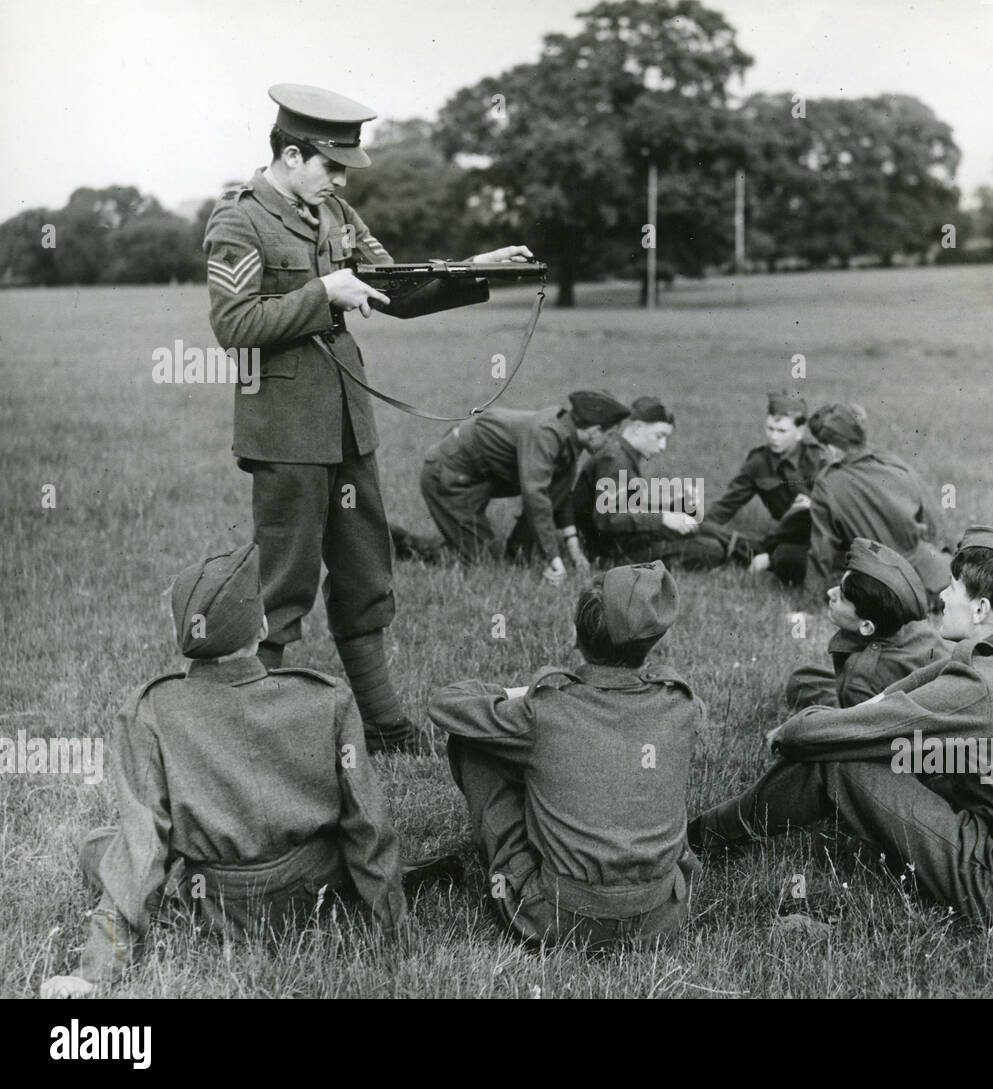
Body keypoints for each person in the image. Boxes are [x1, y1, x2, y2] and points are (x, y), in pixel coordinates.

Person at [203, 83, 532, 753]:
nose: (341, 178)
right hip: (286, 430)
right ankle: (265, 730)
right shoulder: (239, 220)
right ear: (292, 154)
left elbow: (395, 289)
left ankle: (382, 722)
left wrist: (472, 270)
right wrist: (323, 290)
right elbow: (233, 325)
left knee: (365, 571)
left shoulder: (335, 211)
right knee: (284, 579)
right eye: (331, 164)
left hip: (349, 423)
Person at [689, 528, 993, 923]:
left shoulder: (980, 688)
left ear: (979, 609)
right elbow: (949, 667)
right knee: (929, 759)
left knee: (837, 760)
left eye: (954, 587)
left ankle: (701, 840)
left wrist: (793, 731)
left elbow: (818, 737)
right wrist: (879, 703)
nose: (943, 595)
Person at [39, 544, 407, 999]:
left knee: (98, 847)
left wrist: (94, 974)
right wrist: (393, 936)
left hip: (213, 907)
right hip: (314, 897)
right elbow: (369, 827)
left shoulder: (151, 712)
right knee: (101, 847)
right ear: (264, 626)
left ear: (183, 634)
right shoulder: (326, 699)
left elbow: (142, 846)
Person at [425, 561, 703, 949]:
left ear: (577, 636)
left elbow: (445, 705)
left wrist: (513, 694)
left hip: (557, 918)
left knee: (473, 740)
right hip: (661, 917)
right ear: (653, 641)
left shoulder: (544, 711)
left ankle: (518, 857)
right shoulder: (681, 705)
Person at [416, 391, 630, 583]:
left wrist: (573, 549)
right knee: (483, 564)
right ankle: (407, 544)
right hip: (448, 479)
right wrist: (554, 557)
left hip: (477, 478)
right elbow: (535, 495)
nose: (611, 444)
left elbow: (560, 491)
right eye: (610, 436)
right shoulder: (547, 434)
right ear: (593, 431)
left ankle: (517, 549)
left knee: (493, 555)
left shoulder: (568, 432)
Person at [804, 403, 951, 604]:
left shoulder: (827, 483)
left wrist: (807, 604)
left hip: (888, 588)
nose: (821, 456)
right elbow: (932, 517)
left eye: (822, 449)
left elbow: (822, 550)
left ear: (832, 449)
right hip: (936, 576)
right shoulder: (890, 461)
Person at [785, 538, 952, 711]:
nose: (830, 593)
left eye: (841, 596)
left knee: (810, 688)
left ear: (867, 627)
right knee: (804, 678)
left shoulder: (859, 680)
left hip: (919, 720)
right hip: (933, 696)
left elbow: (868, 731)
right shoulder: (908, 625)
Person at [571, 396, 734, 569]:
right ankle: (752, 553)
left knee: (693, 522)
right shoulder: (614, 459)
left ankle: (757, 551)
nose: (663, 445)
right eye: (659, 436)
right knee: (710, 549)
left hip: (621, 540)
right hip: (610, 551)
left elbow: (629, 504)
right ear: (637, 428)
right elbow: (608, 518)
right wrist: (663, 518)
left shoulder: (621, 452)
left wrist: (672, 505)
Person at [700, 393, 823, 583]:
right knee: (718, 534)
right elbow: (727, 504)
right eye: (770, 428)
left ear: (800, 432)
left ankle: (769, 557)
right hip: (784, 537)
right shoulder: (759, 463)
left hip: (822, 535)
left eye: (781, 431)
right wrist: (703, 527)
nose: (773, 437)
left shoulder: (819, 459)